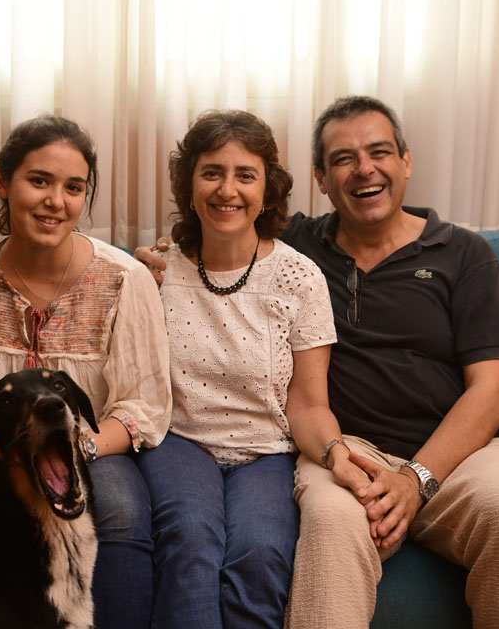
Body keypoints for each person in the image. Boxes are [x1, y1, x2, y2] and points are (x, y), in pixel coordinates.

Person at [138, 96, 499, 628]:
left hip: (462, 457)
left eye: (380, 152)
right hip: (343, 453)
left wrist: (417, 479)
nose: (364, 169)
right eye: (344, 158)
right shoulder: (294, 245)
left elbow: (493, 392)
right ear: (320, 177)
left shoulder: (464, 254)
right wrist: (157, 265)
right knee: (328, 530)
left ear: (406, 161)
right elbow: (224, 231)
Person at [135, 110, 369, 629]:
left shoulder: (298, 277)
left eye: (246, 175)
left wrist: (335, 453)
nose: (227, 190)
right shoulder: (155, 271)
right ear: (189, 185)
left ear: (268, 191)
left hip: (267, 450)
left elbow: (308, 403)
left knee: (260, 554)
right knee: (190, 539)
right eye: (211, 172)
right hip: (179, 441)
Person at [0, 115, 171, 629]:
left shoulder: (124, 279)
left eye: (73, 188)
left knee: (117, 508)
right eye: (39, 180)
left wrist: (75, 445)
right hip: (0, 445)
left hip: (93, 441)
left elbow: (145, 406)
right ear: (3, 182)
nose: (56, 201)